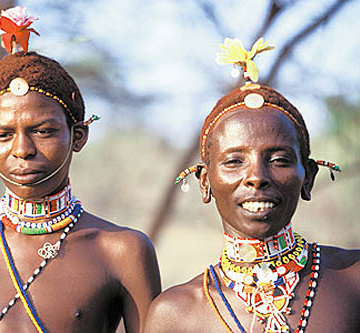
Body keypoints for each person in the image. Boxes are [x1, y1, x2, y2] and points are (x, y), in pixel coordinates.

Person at [0, 6, 160, 333]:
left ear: (78, 137)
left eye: (43, 131)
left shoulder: (122, 250)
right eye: (3, 135)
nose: (22, 150)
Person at [144, 38, 360, 333]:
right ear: (205, 183)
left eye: (279, 159)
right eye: (234, 161)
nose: (257, 176)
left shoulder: (352, 278)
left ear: (307, 177)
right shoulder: (174, 315)